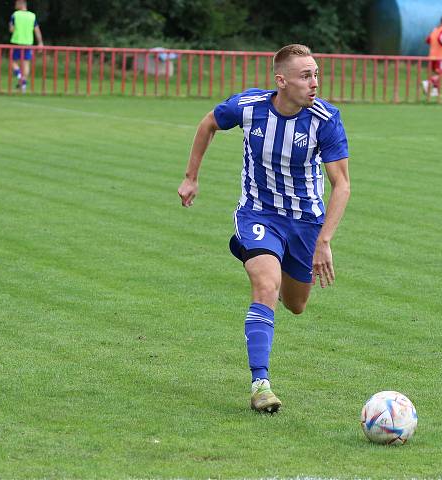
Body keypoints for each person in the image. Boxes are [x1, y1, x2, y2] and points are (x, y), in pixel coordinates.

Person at [177, 44, 351, 413]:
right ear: (282, 80)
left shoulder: (325, 119)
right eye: (306, 76)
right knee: (265, 285)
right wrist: (191, 178)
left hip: (305, 223)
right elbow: (209, 122)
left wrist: (324, 241)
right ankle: (261, 384)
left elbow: (343, 185)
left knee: (296, 304)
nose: (314, 83)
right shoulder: (250, 107)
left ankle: (257, 250)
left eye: (316, 74)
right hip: (259, 214)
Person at [8, 0, 43, 93]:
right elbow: (37, 30)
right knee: (26, 63)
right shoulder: (32, 16)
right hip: (28, 42)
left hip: (17, 41)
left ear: (20, 4)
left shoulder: (15, 15)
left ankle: (19, 76)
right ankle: (23, 83)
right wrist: (40, 42)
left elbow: (11, 29)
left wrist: (12, 26)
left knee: (13, 61)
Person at [422, 15, 442, 98]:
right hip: (440, 56)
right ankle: (427, 83)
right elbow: (440, 38)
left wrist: (434, 46)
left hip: (432, 56)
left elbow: (427, 40)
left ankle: (435, 91)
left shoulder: (435, 29)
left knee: (436, 73)